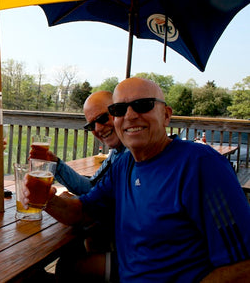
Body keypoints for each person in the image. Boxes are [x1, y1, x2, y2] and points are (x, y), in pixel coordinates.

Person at [25, 77, 250, 282]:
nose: (131, 115)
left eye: (143, 105)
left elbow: (243, 266)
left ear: (166, 115)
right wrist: (47, 200)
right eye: (119, 109)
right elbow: (83, 211)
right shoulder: (124, 165)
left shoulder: (200, 164)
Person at [31, 90, 126, 282]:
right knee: (69, 253)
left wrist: (63, 201)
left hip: (132, 255)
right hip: (112, 241)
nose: (98, 128)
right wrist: (55, 163)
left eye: (103, 117)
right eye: (91, 124)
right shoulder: (117, 153)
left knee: (67, 264)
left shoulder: (131, 155)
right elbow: (91, 187)